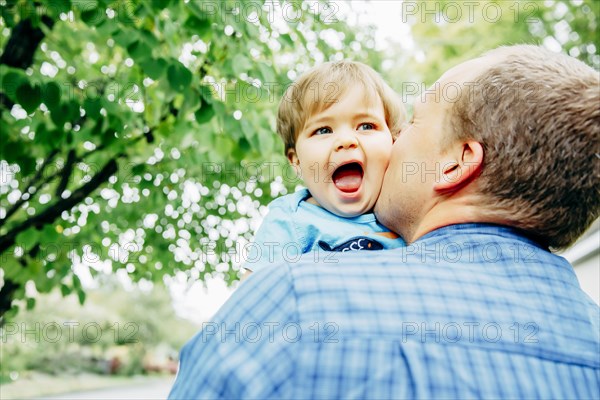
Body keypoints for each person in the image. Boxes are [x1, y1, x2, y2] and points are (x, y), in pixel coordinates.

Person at [169, 45, 599, 399]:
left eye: (411, 123)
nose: (387, 143)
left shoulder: (292, 300)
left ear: (456, 164)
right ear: (295, 160)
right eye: (323, 131)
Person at [244, 60, 406, 273]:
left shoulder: (405, 211)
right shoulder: (290, 221)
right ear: (296, 161)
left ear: (394, 141)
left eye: (366, 126)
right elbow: (253, 297)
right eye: (323, 130)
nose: (346, 140)